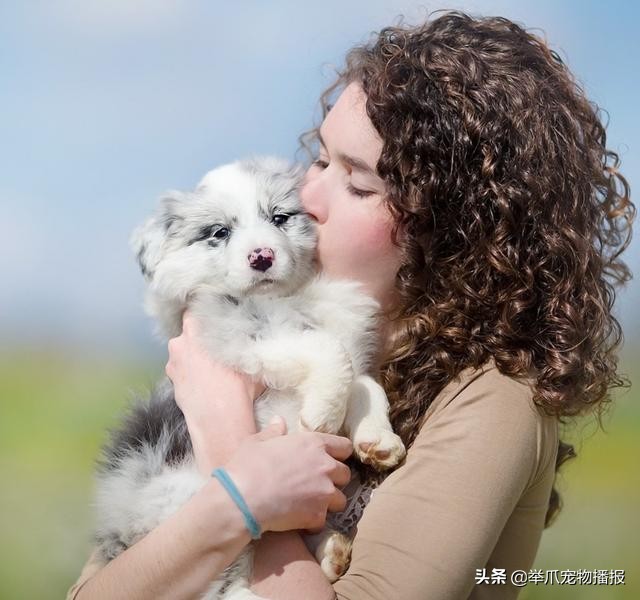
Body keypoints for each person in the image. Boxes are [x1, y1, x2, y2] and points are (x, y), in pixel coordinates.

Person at [68, 10, 635, 600]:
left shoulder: (495, 399)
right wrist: (233, 487)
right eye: (319, 159)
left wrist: (233, 451)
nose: (306, 198)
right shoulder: (274, 343)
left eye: (359, 186)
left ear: (452, 233)